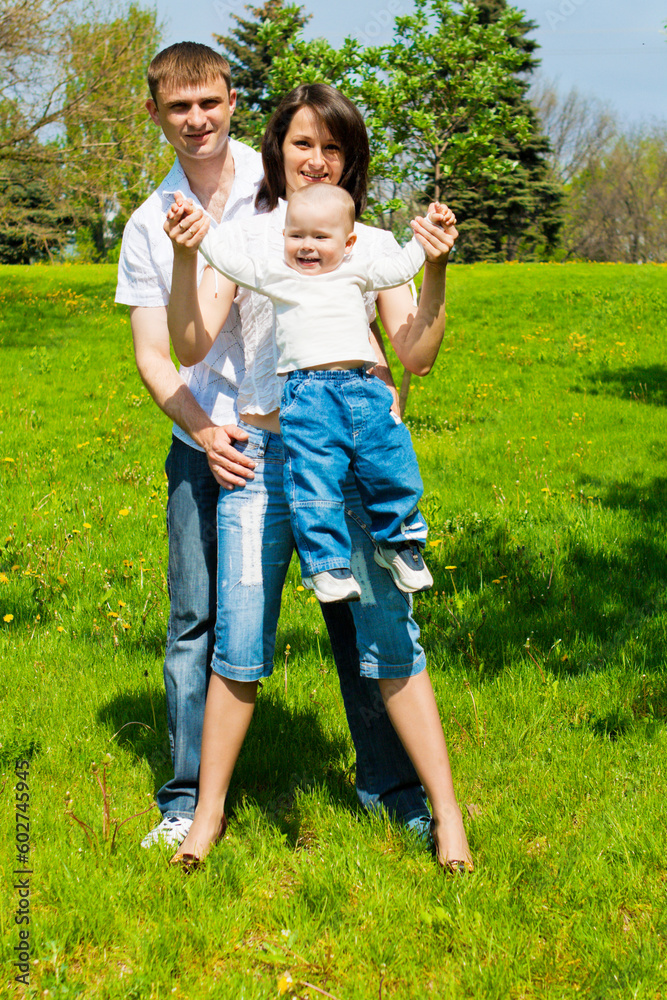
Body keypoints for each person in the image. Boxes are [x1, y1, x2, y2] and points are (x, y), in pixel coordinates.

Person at [115, 43, 434, 850]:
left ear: (232, 104)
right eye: (302, 146)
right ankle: (190, 802)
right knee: (209, 625)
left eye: (209, 103)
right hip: (228, 439)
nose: (315, 162)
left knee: (360, 620)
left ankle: (387, 783)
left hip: (332, 445)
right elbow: (172, 345)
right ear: (155, 114)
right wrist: (199, 426)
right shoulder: (197, 227)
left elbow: (383, 323)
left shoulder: (315, 216)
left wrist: (377, 378)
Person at [172, 182, 446, 602]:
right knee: (314, 479)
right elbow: (229, 261)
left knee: (392, 462)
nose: (306, 246)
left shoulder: (358, 270)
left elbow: (400, 269)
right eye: (296, 235)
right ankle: (326, 566)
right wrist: (200, 229)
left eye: (321, 237)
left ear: (348, 242)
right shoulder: (277, 276)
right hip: (309, 396)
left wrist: (428, 235)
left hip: (364, 388)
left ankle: (399, 542)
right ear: (283, 237)